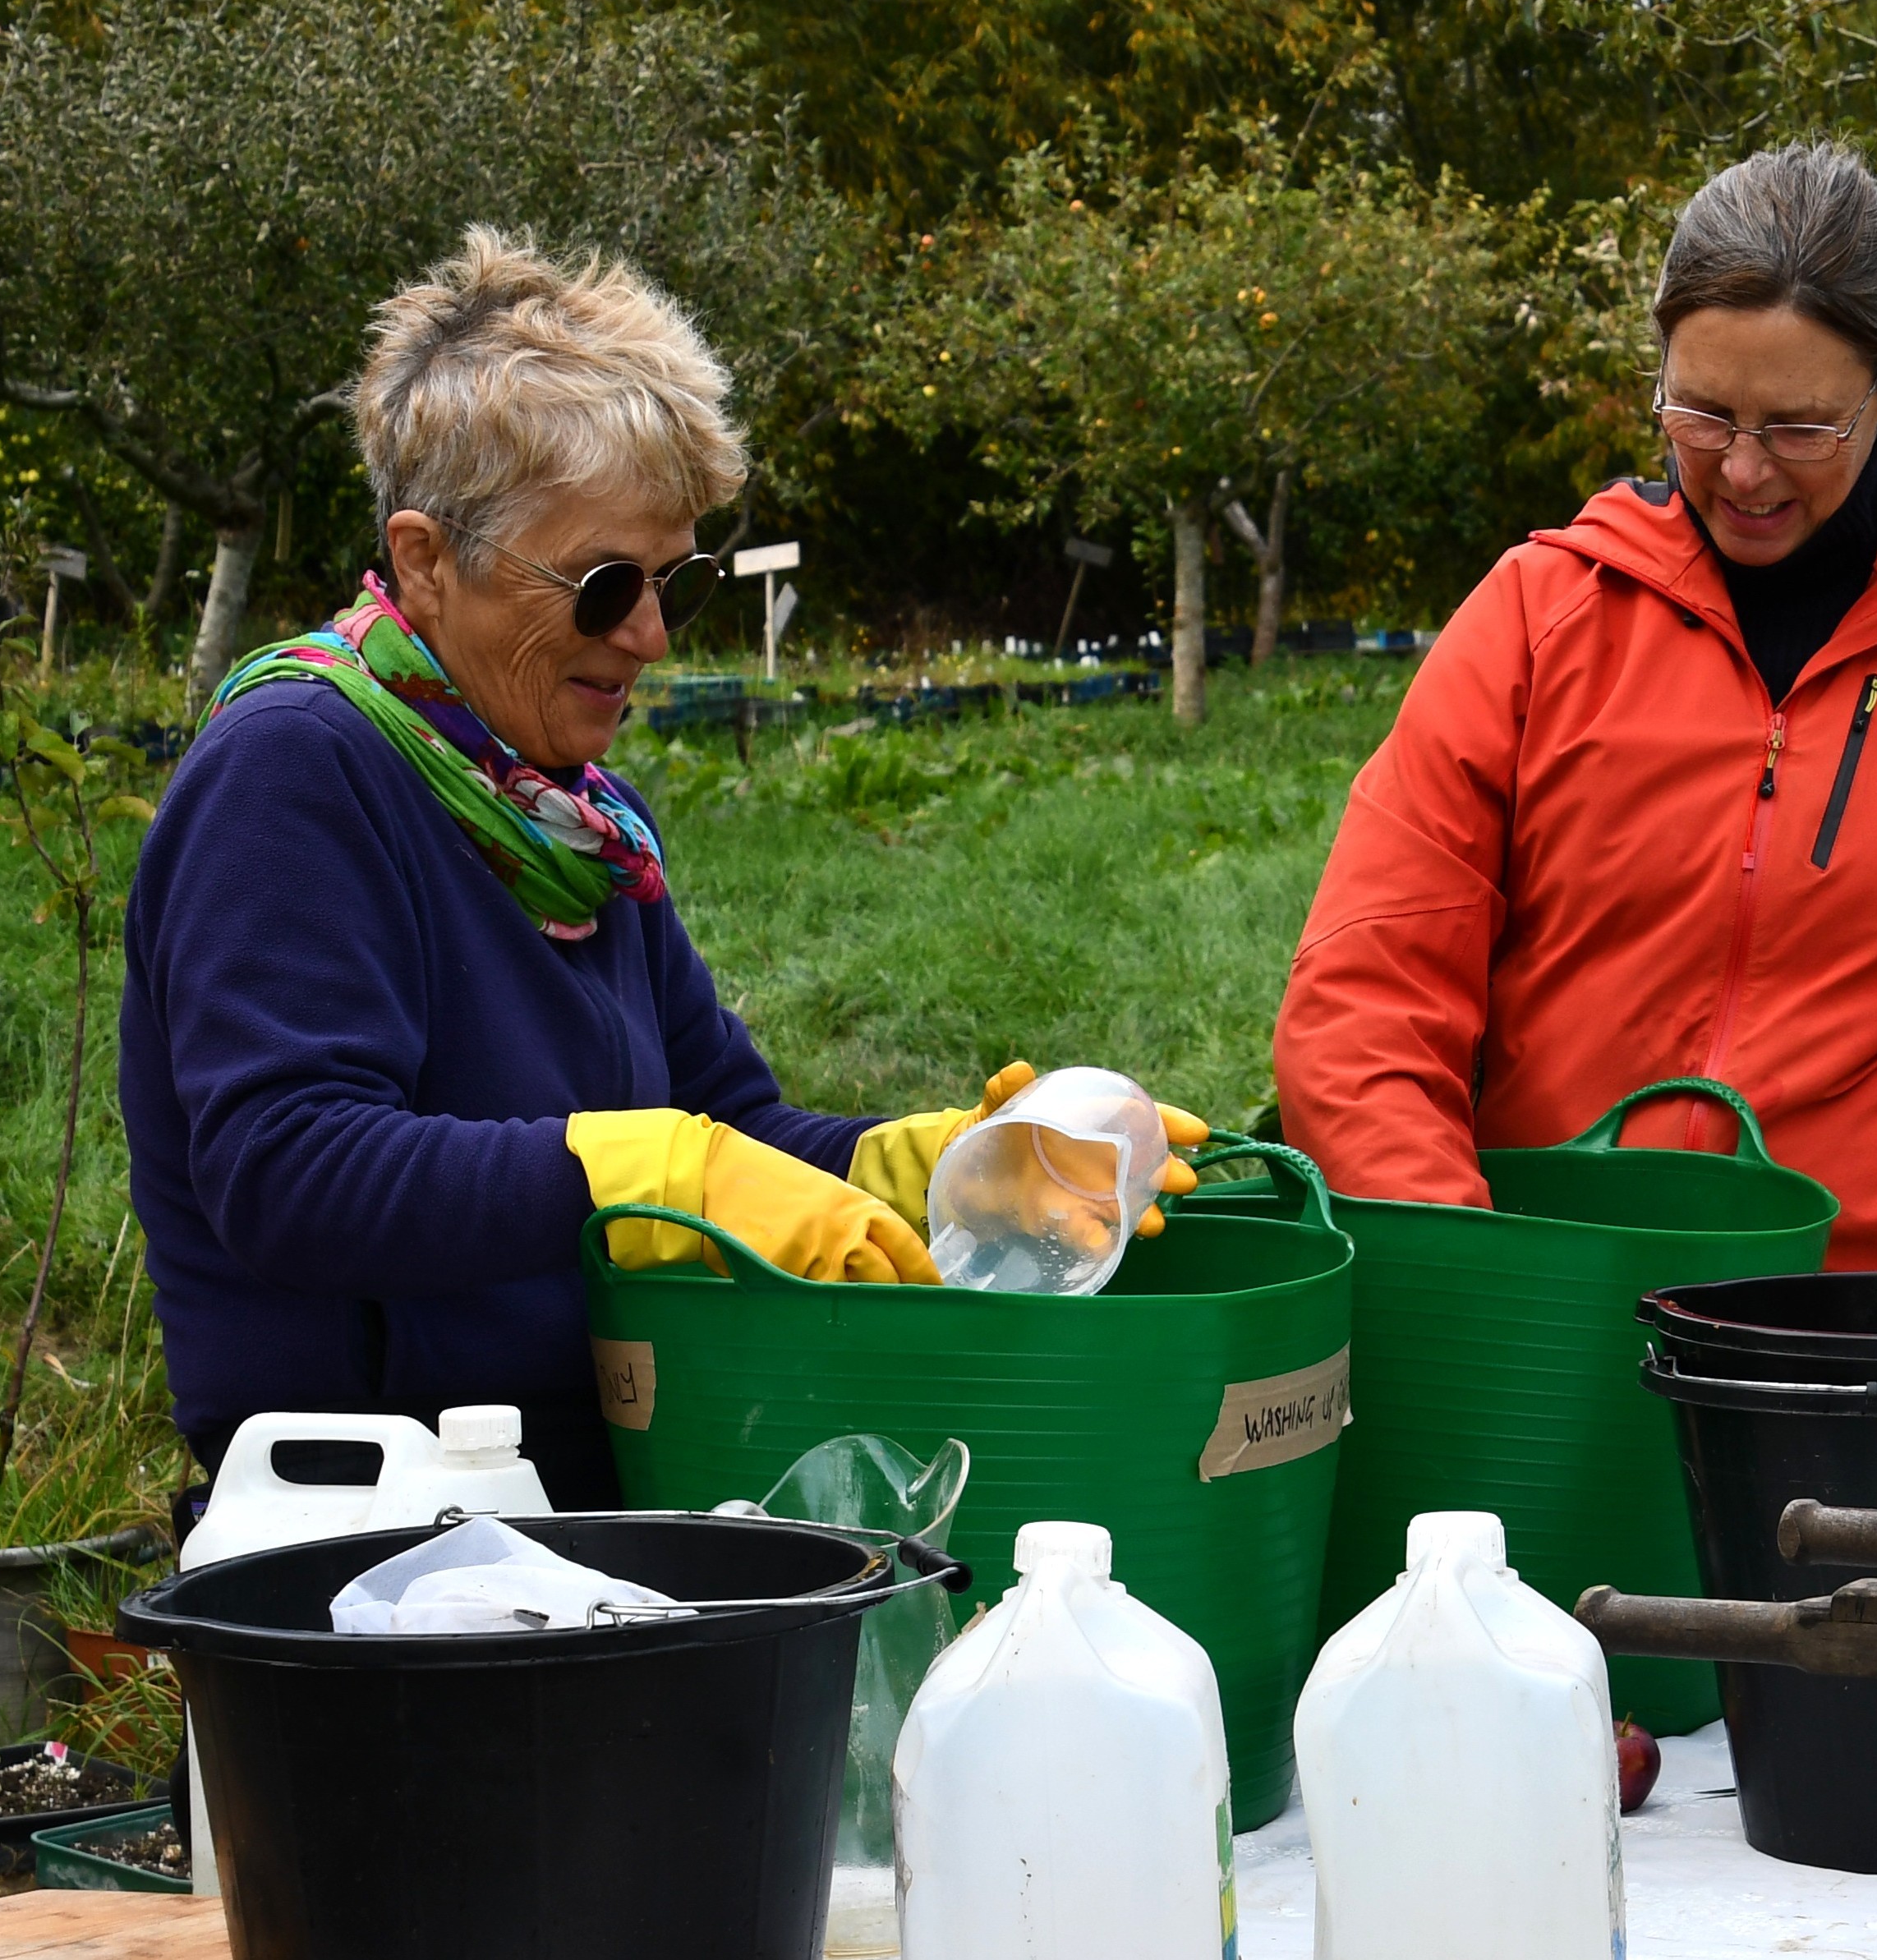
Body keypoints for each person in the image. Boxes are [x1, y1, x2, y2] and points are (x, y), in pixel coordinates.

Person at [122, 229, 1198, 1505]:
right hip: (381, 1536)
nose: (646, 632)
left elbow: (730, 1131)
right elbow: (288, 1168)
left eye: (671, 581)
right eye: (600, 584)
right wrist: (637, 1172)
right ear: (426, 560)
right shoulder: (296, 773)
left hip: (605, 1483)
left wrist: (933, 1166)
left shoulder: (579, 825)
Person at [1273, 145, 1877, 1266]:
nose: (1740, 469)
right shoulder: (1539, 617)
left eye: (1797, 426)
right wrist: (1464, 1269)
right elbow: (1366, 996)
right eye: (1701, 411)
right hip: (1561, 1292)